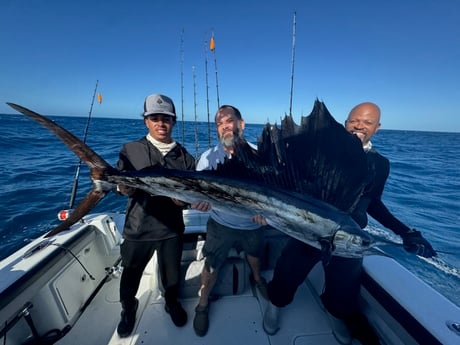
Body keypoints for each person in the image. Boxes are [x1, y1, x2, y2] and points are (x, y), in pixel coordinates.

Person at [262, 102, 436, 344]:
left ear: (378, 127)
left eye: (367, 122)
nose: (359, 126)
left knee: (344, 287)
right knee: (287, 272)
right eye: (355, 120)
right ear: (345, 123)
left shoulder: (380, 164)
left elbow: (373, 203)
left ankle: (336, 315)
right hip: (309, 229)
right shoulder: (320, 152)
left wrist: (405, 231)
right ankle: (275, 305)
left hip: (349, 238)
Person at [115, 93, 209, 338]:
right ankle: (128, 307)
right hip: (138, 228)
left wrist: (186, 201)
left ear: (174, 121)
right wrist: (122, 186)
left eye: (166, 118)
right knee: (131, 274)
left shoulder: (185, 157)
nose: (160, 123)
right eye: (154, 118)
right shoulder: (130, 149)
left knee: (172, 274)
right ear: (145, 121)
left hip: (171, 230)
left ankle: (171, 302)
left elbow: (186, 197)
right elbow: (122, 186)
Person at [192, 105, 269, 337]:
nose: (225, 126)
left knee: (254, 255)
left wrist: (266, 214)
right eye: (219, 123)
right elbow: (198, 195)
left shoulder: (260, 156)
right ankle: (203, 303)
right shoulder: (207, 158)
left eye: (229, 121)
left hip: (253, 225)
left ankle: (256, 279)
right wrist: (200, 203)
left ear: (241, 124)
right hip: (220, 225)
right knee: (211, 264)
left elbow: (272, 194)